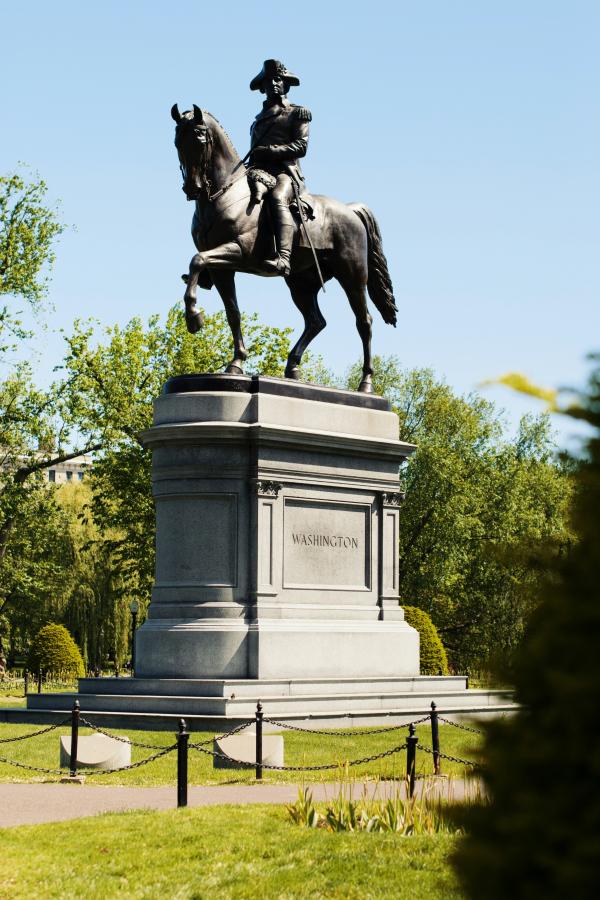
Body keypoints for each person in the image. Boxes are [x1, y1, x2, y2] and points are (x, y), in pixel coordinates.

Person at [249, 59, 312, 275]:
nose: (274, 83)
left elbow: (301, 146)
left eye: (278, 79)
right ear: (263, 87)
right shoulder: (259, 119)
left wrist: (271, 151)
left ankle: (284, 258)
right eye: (269, 81)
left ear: (286, 84)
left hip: (285, 173)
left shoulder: (297, 112)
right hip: (259, 172)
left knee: (277, 198)